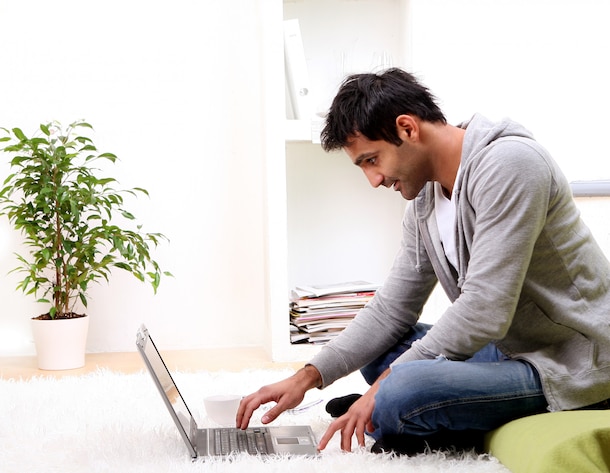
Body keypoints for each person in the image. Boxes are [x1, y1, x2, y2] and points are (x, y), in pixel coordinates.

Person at [236, 68, 610, 455]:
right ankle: (418, 414)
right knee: (385, 351)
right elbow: (391, 309)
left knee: (401, 388)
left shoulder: (511, 164)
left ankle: (410, 414)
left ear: (407, 129)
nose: (374, 180)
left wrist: (384, 389)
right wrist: (307, 376)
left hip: (575, 361)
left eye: (371, 159)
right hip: (508, 349)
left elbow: (485, 309)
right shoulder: (425, 200)